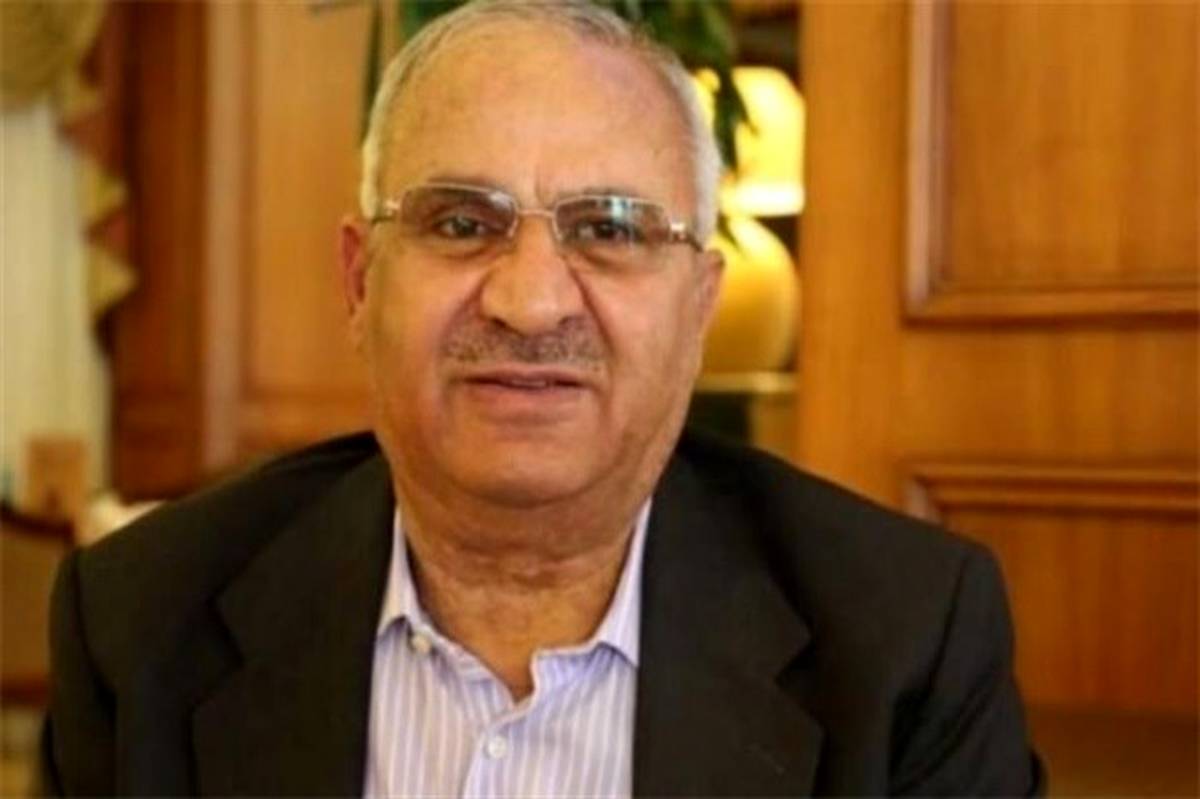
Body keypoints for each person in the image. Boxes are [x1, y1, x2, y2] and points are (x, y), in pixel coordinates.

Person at [39, 1, 1042, 795]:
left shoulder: (904, 643)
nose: (529, 302)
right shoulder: (143, 624)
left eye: (608, 228)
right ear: (359, 282)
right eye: (461, 222)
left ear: (699, 305)